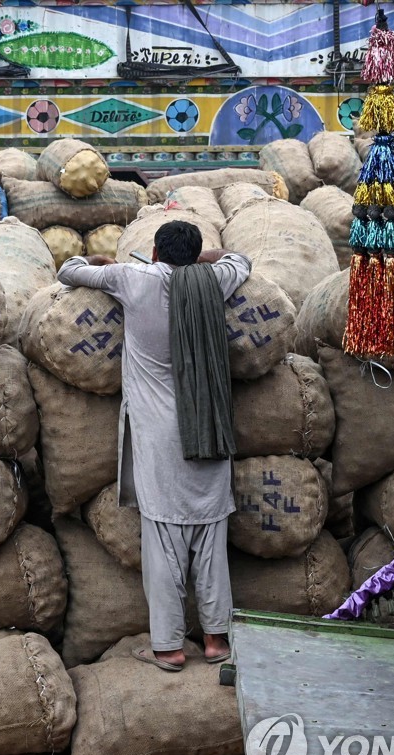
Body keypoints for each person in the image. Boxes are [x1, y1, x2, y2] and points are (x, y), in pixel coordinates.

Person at [57, 221, 251, 671]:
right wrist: (204, 260)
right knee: (210, 538)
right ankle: (217, 640)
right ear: (194, 254)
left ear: (156, 253)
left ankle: (167, 646)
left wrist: (98, 261)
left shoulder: (132, 277)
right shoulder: (213, 280)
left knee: (164, 541)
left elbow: (68, 270)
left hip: (160, 437)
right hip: (210, 424)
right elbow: (240, 260)